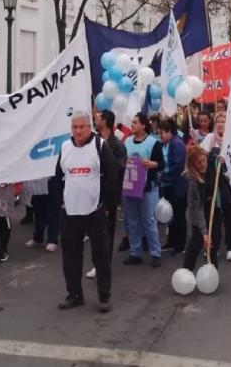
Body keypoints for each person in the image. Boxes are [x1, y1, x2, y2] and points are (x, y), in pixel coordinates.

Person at [50, 111, 118, 313]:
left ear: (90, 127)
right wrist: (60, 202)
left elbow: (113, 176)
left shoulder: (100, 146)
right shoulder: (65, 147)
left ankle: (104, 296)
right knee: (71, 256)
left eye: (82, 127)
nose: (78, 131)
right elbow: (57, 177)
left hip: (94, 211)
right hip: (70, 211)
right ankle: (74, 294)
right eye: (75, 127)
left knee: (101, 255)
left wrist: (107, 206)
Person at [121, 112, 164, 268]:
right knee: (132, 221)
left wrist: (148, 164)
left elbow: (161, 164)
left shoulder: (153, 143)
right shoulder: (127, 141)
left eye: (135, 122)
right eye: (132, 122)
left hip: (147, 187)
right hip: (130, 185)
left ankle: (155, 253)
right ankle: (135, 252)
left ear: (144, 125)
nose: (132, 125)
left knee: (149, 221)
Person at [90, 110, 127, 276]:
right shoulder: (92, 141)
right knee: (94, 231)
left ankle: (103, 266)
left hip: (109, 194)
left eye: (98, 118)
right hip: (92, 192)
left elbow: (120, 168)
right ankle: (97, 263)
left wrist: (104, 160)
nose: (95, 120)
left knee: (106, 231)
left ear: (104, 122)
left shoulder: (117, 144)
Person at [200, 112, 231, 261]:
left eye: (223, 121)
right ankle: (211, 247)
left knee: (229, 216)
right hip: (212, 184)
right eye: (219, 121)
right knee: (212, 216)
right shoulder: (209, 138)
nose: (221, 124)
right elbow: (200, 154)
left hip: (228, 185)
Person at [183, 145, 221, 271]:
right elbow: (197, 207)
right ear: (193, 164)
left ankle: (212, 272)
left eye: (203, 160)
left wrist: (222, 162)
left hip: (213, 210)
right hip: (197, 211)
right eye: (198, 163)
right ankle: (187, 272)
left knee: (213, 244)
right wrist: (204, 232)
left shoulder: (211, 163)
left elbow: (217, 152)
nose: (203, 164)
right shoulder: (192, 179)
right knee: (196, 242)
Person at [159, 119, 188, 256]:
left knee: (179, 216)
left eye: (162, 133)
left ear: (170, 132)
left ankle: (180, 245)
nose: (161, 136)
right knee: (170, 215)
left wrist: (164, 176)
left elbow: (177, 166)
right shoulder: (165, 144)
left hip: (177, 185)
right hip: (167, 185)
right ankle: (171, 241)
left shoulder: (177, 144)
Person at [24, 177, 58, 252]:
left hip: (50, 180)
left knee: (52, 212)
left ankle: (52, 240)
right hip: (37, 181)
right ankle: (37, 238)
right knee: (38, 212)